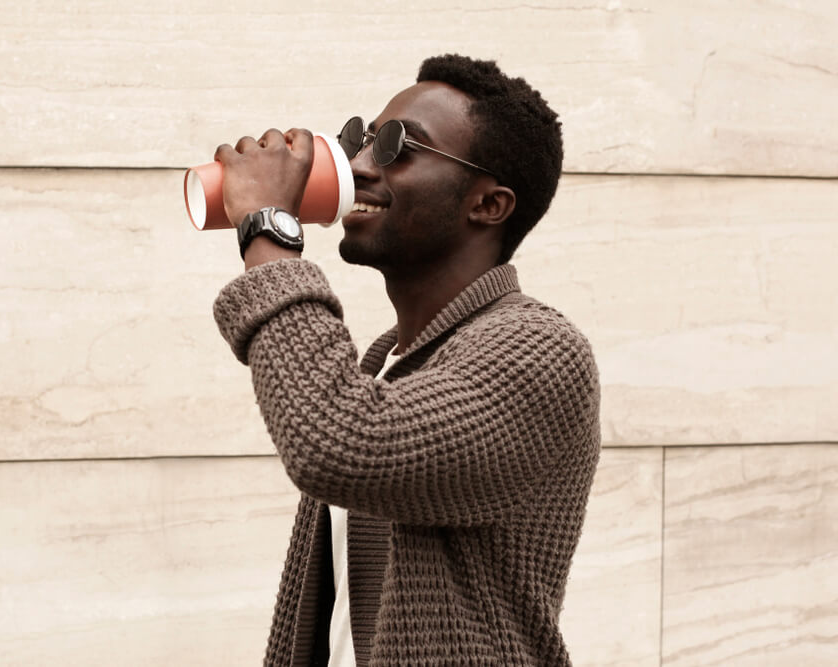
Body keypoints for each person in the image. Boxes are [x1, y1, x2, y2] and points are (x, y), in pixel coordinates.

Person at [211, 54, 600, 666]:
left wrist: (268, 230)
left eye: (399, 147)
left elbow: (339, 442)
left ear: (488, 205)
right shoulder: (385, 362)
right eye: (361, 139)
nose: (360, 165)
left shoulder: (540, 351)